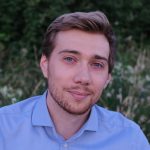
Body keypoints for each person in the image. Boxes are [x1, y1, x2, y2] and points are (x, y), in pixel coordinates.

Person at [0, 11, 149, 150]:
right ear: (45, 66)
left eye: (97, 64)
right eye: (69, 59)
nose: (83, 78)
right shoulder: (4, 130)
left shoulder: (130, 140)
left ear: (108, 78)